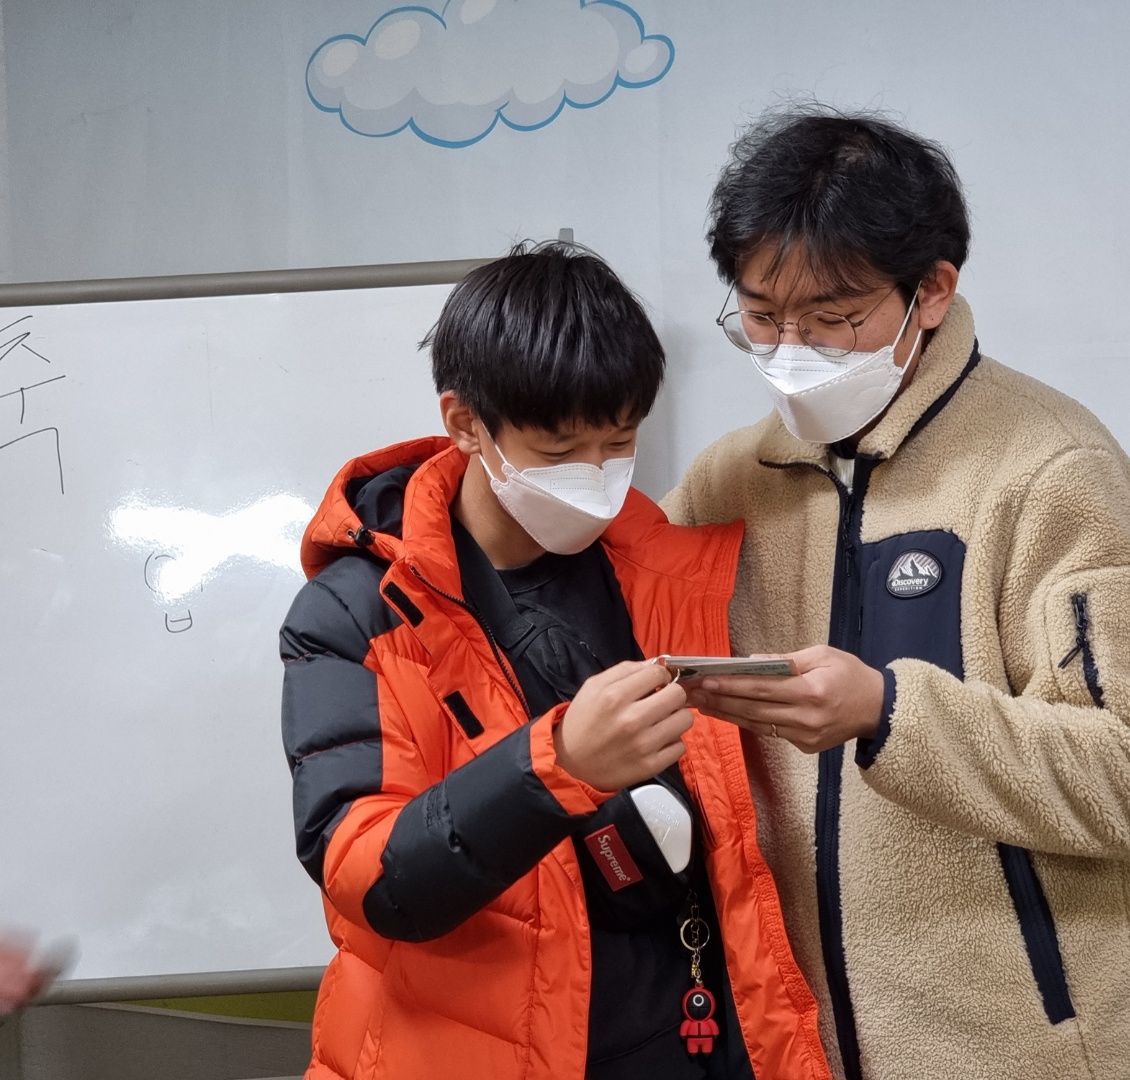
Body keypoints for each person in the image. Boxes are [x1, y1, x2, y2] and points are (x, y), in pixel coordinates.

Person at [664, 109, 1130, 1080]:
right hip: (797, 1051)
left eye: (834, 317)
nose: (792, 350)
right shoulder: (725, 485)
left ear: (932, 291)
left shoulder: (1050, 468)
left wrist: (889, 713)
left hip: (1026, 1053)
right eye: (762, 316)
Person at [279, 243, 830, 1080]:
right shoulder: (355, 614)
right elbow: (372, 880)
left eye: (619, 441)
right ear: (466, 423)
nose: (596, 476)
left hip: (693, 1034)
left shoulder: (669, 571)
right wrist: (558, 765)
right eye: (559, 449)